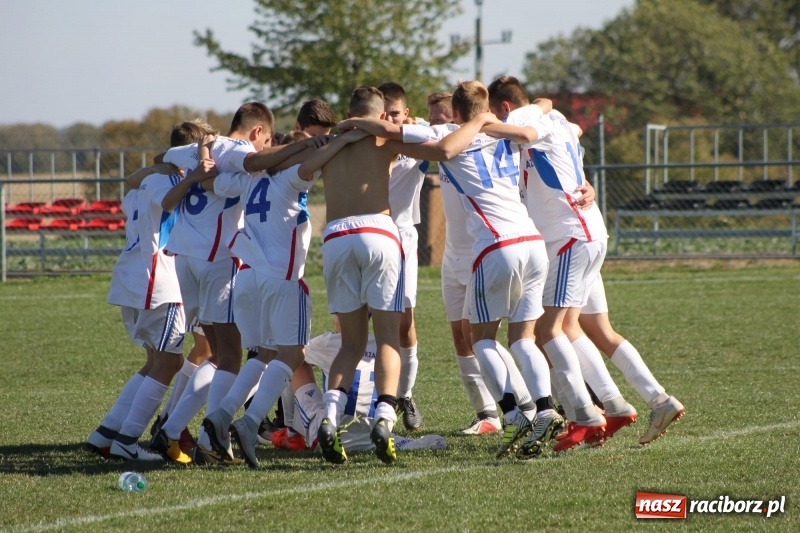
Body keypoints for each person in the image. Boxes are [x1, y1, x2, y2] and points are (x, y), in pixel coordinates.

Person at [339, 81, 560, 460]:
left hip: (497, 245)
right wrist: (495, 120)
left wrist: (352, 125)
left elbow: (392, 130)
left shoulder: (447, 133)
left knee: (482, 339)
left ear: (455, 112)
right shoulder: (509, 126)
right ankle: (545, 409)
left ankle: (513, 417)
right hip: (533, 242)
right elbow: (542, 106)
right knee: (523, 339)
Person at [312, 86, 488, 465]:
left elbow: (298, 165)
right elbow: (443, 151)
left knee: (350, 345)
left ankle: (327, 417)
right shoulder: (386, 142)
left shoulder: (329, 142)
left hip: (336, 237)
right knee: (389, 337)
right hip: (379, 234)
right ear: (380, 115)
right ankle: (385, 417)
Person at [484, 75, 639, 453]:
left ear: (505, 109)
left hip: (568, 237)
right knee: (571, 329)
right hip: (568, 236)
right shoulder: (553, 125)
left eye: (491, 114)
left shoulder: (531, 124)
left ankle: (589, 414)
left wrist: (518, 113)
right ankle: (611, 407)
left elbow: (536, 123)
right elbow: (567, 133)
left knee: (550, 331)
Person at [200, 129, 368, 469]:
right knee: (293, 352)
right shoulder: (288, 178)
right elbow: (315, 161)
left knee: (265, 353)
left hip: (249, 275)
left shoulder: (248, 180)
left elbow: (207, 184)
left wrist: (205, 153)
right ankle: (248, 423)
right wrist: (341, 140)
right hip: (282, 276)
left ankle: (222, 414)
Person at [87, 121, 218, 461]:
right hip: (158, 280)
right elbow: (169, 202)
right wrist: (189, 178)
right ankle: (128, 441)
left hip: (133, 277)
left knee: (155, 362)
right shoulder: (169, 180)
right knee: (170, 362)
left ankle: (107, 432)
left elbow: (133, 189)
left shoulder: (144, 179)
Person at [289, 316, 446, 454]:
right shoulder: (386, 347)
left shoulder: (329, 341)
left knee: (294, 361)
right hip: (374, 438)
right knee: (435, 440)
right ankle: (391, 418)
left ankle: (289, 431)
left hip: (325, 437)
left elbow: (292, 354)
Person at [377, 81, 430, 431]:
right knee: (357, 321)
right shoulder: (368, 140)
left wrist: (413, 127)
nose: (390, 120)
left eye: (396, 113)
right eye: (385, 114)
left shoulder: (418, 137)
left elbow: (430, 130)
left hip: (402, 236)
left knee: (404, 321)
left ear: (405, 113)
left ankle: (405, 395)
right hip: (368, 233)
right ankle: (371, 396)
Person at [579, 275, 685, 444]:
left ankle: (587, 414)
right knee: (601, 333)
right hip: (584, 251)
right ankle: (658, 400)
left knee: (554, 331)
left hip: (565, 252)